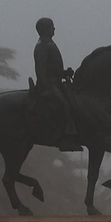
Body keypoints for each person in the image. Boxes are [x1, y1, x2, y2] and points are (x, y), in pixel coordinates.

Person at [34, 17, 80, 147]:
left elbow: (53, 69)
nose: (54, 29)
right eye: (51, 26)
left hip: (57, 83)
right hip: (50, 85)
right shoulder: (42, 46)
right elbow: (41, 69)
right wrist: (47, 88)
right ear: (44, 30)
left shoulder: (49, 44)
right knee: (65, 105)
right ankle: (68, 136)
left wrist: (65, 73)